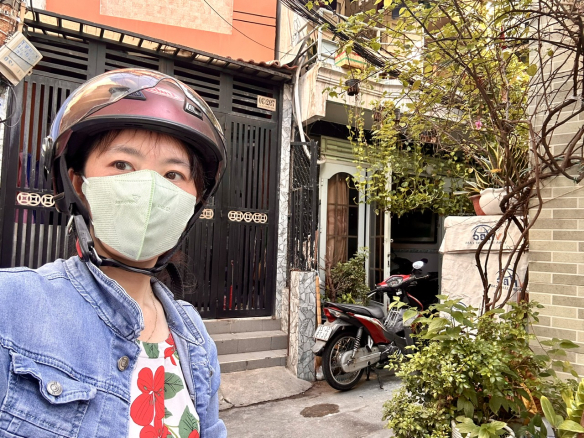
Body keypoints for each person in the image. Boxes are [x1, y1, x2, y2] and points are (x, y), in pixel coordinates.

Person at [0, 69, 227, 437]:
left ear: (193, 202)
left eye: (173, 174)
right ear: (78, 185)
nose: (149, 189)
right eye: (122, 165)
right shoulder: (12, 306)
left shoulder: (195, 337)